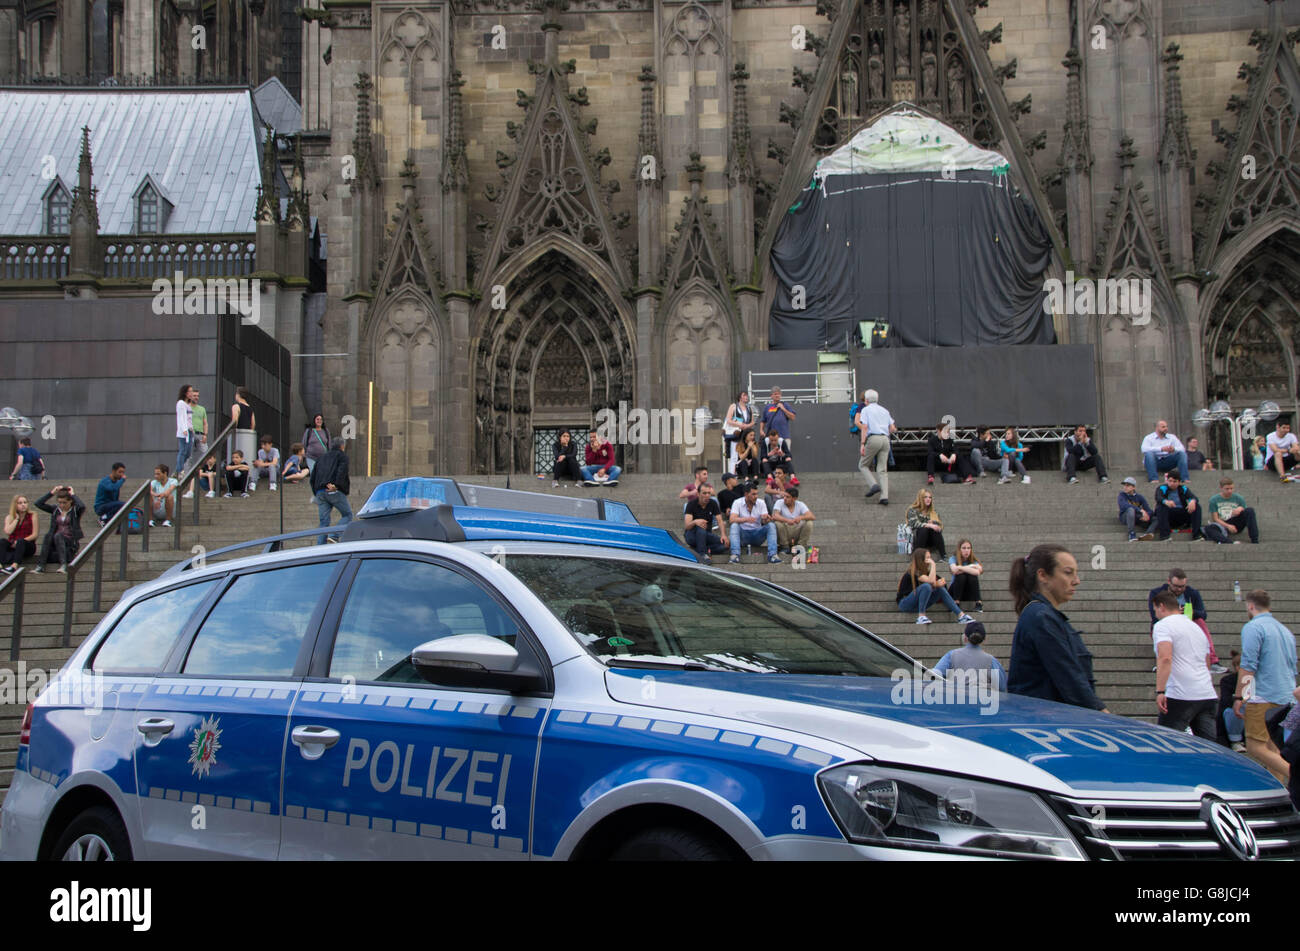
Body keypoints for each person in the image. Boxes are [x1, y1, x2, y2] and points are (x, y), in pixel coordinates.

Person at [1007, 544, 1109, 711]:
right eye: (1068, 573)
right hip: (1044, 720)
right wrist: (1102, 715)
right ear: (1043, 575)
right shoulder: (1040, 617)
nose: (1076, 581)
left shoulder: (1043, 615)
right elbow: (1068, 675)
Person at [1233, 589, 1297, 785]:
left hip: (1263, 695)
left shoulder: (1254, 627)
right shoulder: (1285, 631)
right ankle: (1280, 790)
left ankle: (1295, 776)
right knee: (1274, 748)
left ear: (1251, 606)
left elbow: (1248, 666)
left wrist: (1239, 696)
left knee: (1255, 745)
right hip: (1286, 695)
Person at [1151, 590, 1218, 740]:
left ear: (1161, 606)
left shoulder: (1162, 626)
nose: (1155, 614)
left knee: (1167, 741)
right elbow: (1207, 659)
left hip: (1180, 693)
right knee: (1208, 745)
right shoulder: (1196, 627)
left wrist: (1160, 691)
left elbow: (1165, 658)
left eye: (1155, 610)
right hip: (1206, 693)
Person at [1148, 568, 1223, 672]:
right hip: (1167, 624)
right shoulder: (1157, 593)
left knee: (1200, 622)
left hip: (1188, 625)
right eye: (1176, 586)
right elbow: (1155, 616)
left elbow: (1203, 614)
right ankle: (1163, 661)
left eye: (1182, 586)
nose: (1179, 589)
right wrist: (1173, 612)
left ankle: (1212, 661)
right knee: (1159, 627)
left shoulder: (1192, 593)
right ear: (1169, 581)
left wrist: (1191, 612)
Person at [895, 548, 971, 625]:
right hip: (905, 603)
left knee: (939, 588)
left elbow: (932, 582)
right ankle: (921, 616)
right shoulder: (913, 571)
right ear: (921, 559)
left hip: (916, 605)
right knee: (926, 586)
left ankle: (961, 615)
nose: (930, 560)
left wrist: (938, 584)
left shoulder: (925, 572)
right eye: (928, 558)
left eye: (930, 557)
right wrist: (933, 565)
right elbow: (931, 581)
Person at [934, 621, 1007, 691]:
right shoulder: (991, 661)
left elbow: (935, 675)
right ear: (984, 640)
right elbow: (1001, 687)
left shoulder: (951, 655)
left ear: (965, 638)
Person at [33, 485, 85, 574]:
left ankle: (63, 565)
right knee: (48, 535)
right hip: (56, 541)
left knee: (58, 535)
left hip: (69, 541)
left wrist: (73, 494)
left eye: (64, 502)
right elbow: (38, 503)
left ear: (70, 501)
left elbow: (82, 506)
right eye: (60, 502)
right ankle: (40, 566)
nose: (62, 505)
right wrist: (52, 492)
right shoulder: (56, 510)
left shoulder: (75, 510)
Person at [311, 436, 354, 544]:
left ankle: (320, 546)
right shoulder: (342, 456)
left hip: (320, 491)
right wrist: (336, 485)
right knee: (347, 515)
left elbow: (313, 477)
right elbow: (342, 470)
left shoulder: (321, 458)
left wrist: (316, 491)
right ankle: (334, 535)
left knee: (324, 521)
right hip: (333, 490)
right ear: (342, 446)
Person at [857, 388, 896, 504]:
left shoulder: (866, 410)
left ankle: (873, 485)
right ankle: (884, 496)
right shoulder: (884, 410)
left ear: (866, 400)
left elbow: (864, 427)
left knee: (863, 465)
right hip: (885, 440)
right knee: (882, 469)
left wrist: (862, 443)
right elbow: (893, 428)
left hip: (873, 438)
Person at [727, 483, 779, 564]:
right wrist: (746, 519)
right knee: (734, 526)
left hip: (757, 535)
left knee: (771, 525)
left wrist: (766, 519)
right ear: (746, 494)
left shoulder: (761, 503)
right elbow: (732, 519)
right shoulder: (737, 502)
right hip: (743, 535)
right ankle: (735, 555)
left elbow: (764, 521)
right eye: (753, 494)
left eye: (757, 494)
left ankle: (773, 555)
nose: (756, 496)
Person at [683, 481, 728, 564]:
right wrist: (695, 522)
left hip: (706, 535)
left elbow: (720, 521)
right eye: (704, 493)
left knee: (725, 545)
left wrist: (723, 535)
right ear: (698, 494)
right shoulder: (691, 504)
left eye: (709, 493)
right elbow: (687, 526)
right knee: (701, 526)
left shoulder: (713, 503)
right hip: (692, 535)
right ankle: (703, 554)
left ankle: (696, 550)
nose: (707, 495)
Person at [1205, 476, 1259, 544]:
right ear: (1221, 488)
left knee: (1250, 510)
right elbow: (1216, 519)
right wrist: (1228, 526)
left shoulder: (1239, 498)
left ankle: (1255, 540)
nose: (1230, 491)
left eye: (1231, 488)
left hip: (1236, 522)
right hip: (1223, 523)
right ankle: (1228, 542)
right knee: (1208, 528)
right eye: (1227, 489)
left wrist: (1241, 508)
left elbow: (1247, 514)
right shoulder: (1214, 500)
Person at [1153, 471, 1203, 541]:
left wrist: (1192, 501)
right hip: (1168, 515)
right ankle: (1164, 536)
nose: (1172, 483)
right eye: (1170, 481)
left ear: (1179, 482)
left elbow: (1193, 497)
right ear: (1167, 481)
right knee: (1161, 506)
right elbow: (1158, 497)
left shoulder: (1183, 488)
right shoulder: (1162, 488)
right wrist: (1166, 501)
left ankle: (1197, 534)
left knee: (1197, 506)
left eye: (1175, 481)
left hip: (1182, 514)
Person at [1140, 419, 1189, 483]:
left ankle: (1184, 478)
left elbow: (1182, 448)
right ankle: (1154, 479)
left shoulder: (1172, 437)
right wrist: (1161, 449)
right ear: (1157, 428)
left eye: (1166, 426)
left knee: (1181, 454)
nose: (1166, 428)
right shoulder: (1149, 437)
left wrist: (1174, 449)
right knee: (1149, 454)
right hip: (1154, 462)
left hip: (1168, 461)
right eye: (1163, 427)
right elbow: (1144, 449)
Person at [1, 494, 39, 573]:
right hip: (13, 544)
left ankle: (14, 566)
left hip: (28, 545)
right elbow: (8, 531)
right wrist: (16, 519)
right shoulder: (10, 517)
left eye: (25, 502)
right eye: (20, 503)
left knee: (21, 541)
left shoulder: (33, 515)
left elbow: (35, 534)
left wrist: (19, 542)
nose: (23, 505)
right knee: (2, 541)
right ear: (15, 505)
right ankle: (0, 565)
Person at [905, 487, 946, 560]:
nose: (928, 499)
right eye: (925, 497)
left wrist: (934, 523)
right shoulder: (912, 510)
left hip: (931, 540)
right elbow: (913, 523)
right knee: (923, 529)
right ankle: (916, 556)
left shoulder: (933, 512)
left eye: (930, 497)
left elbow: (940, 526)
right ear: (920, 498)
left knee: (935, 529)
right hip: (917, 539)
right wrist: (928, 525)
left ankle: (943, 556)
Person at [771, 486, 815, 554]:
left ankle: (800, 546)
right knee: (777, 523)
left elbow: (812, 516)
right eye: (784, 496)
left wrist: (800, 517)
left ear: (794, 499)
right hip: (784, 531)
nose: (784, 498)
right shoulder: (779, 502)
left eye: (787, 497)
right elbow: (774, 515)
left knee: (809, 523)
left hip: (796, 530)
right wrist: (787, 520)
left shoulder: (800, 504)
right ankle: (785, 547)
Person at [182, 386, 208, 497]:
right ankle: (187, 477)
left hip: (200, 434)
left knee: (206, 452)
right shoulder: (186, 407)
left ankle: (201, 472)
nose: (196, 397)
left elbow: (205, 422)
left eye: (198, 396)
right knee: (188, 456)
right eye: (194, 395)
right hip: (189, 434)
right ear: (190, 396)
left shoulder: (201, 409)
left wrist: (206, 434)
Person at [1218, 650, 1246, 751]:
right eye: (1237, 665)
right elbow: (1226, 701)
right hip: (1232, 713)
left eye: (1241, 665)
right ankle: (1236, 741)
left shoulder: (1256, 680)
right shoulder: (1227, 680)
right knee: (1236, 709)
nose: (1239, 668)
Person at [948, 538, 984, 613]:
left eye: (968, 548)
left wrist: (960, 567)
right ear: (959, 549)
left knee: (972, 576)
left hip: (968, 592)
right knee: (962, 576)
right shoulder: (953, 558)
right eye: (964, 548)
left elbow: (978, 572)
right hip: (954, 591)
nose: (966, 550)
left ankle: (978, 603)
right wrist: (971, 567)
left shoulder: (973, 560)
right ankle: (956, 603)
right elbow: (954, 570)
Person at [722, 390, 755, 472]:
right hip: (736, 434)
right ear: (740, 397)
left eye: (747, 395)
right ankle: (732, 474)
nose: (746, 397)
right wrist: (739, 425)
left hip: (744, 434)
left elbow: (752, 422)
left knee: (743, 454)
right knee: (734, 455)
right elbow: (728, 420)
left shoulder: (749, 408)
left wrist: (746, 426)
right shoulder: (733, 406)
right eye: (744, 395)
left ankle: (741, 472)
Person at [1117, 476, 1155, 542]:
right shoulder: (1122, 495)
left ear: (1134, 487)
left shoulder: (1139, 497)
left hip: (1137, 517)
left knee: (1156, 517)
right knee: (1130, 509)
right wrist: (1140, 510)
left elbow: (1148, 509)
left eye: (1128, 485)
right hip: (1125, 516)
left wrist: (1147, 515)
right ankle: (1131, 533)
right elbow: (1124, 505)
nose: (1125, 487)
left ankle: (1148, 533)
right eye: (1124, 485)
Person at [231, 386, 258, 468]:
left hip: (238, 435)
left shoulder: (236, 406)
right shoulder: (250, 409)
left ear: (238, 395)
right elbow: (253, 424)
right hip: (248, 436)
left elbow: (234, 422)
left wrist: (232, 431)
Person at [174, 384, 193, 483]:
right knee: (183, 451)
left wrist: (191, 428)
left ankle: (177, 469)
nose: (191, 393)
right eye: (190, 391)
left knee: (188, 452)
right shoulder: (181, 403)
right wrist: (184, 429)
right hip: (184, 432)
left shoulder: (188, 404)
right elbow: (181, 417)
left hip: (190, 431)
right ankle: (180, 470)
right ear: (185, 392)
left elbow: (189, 418)